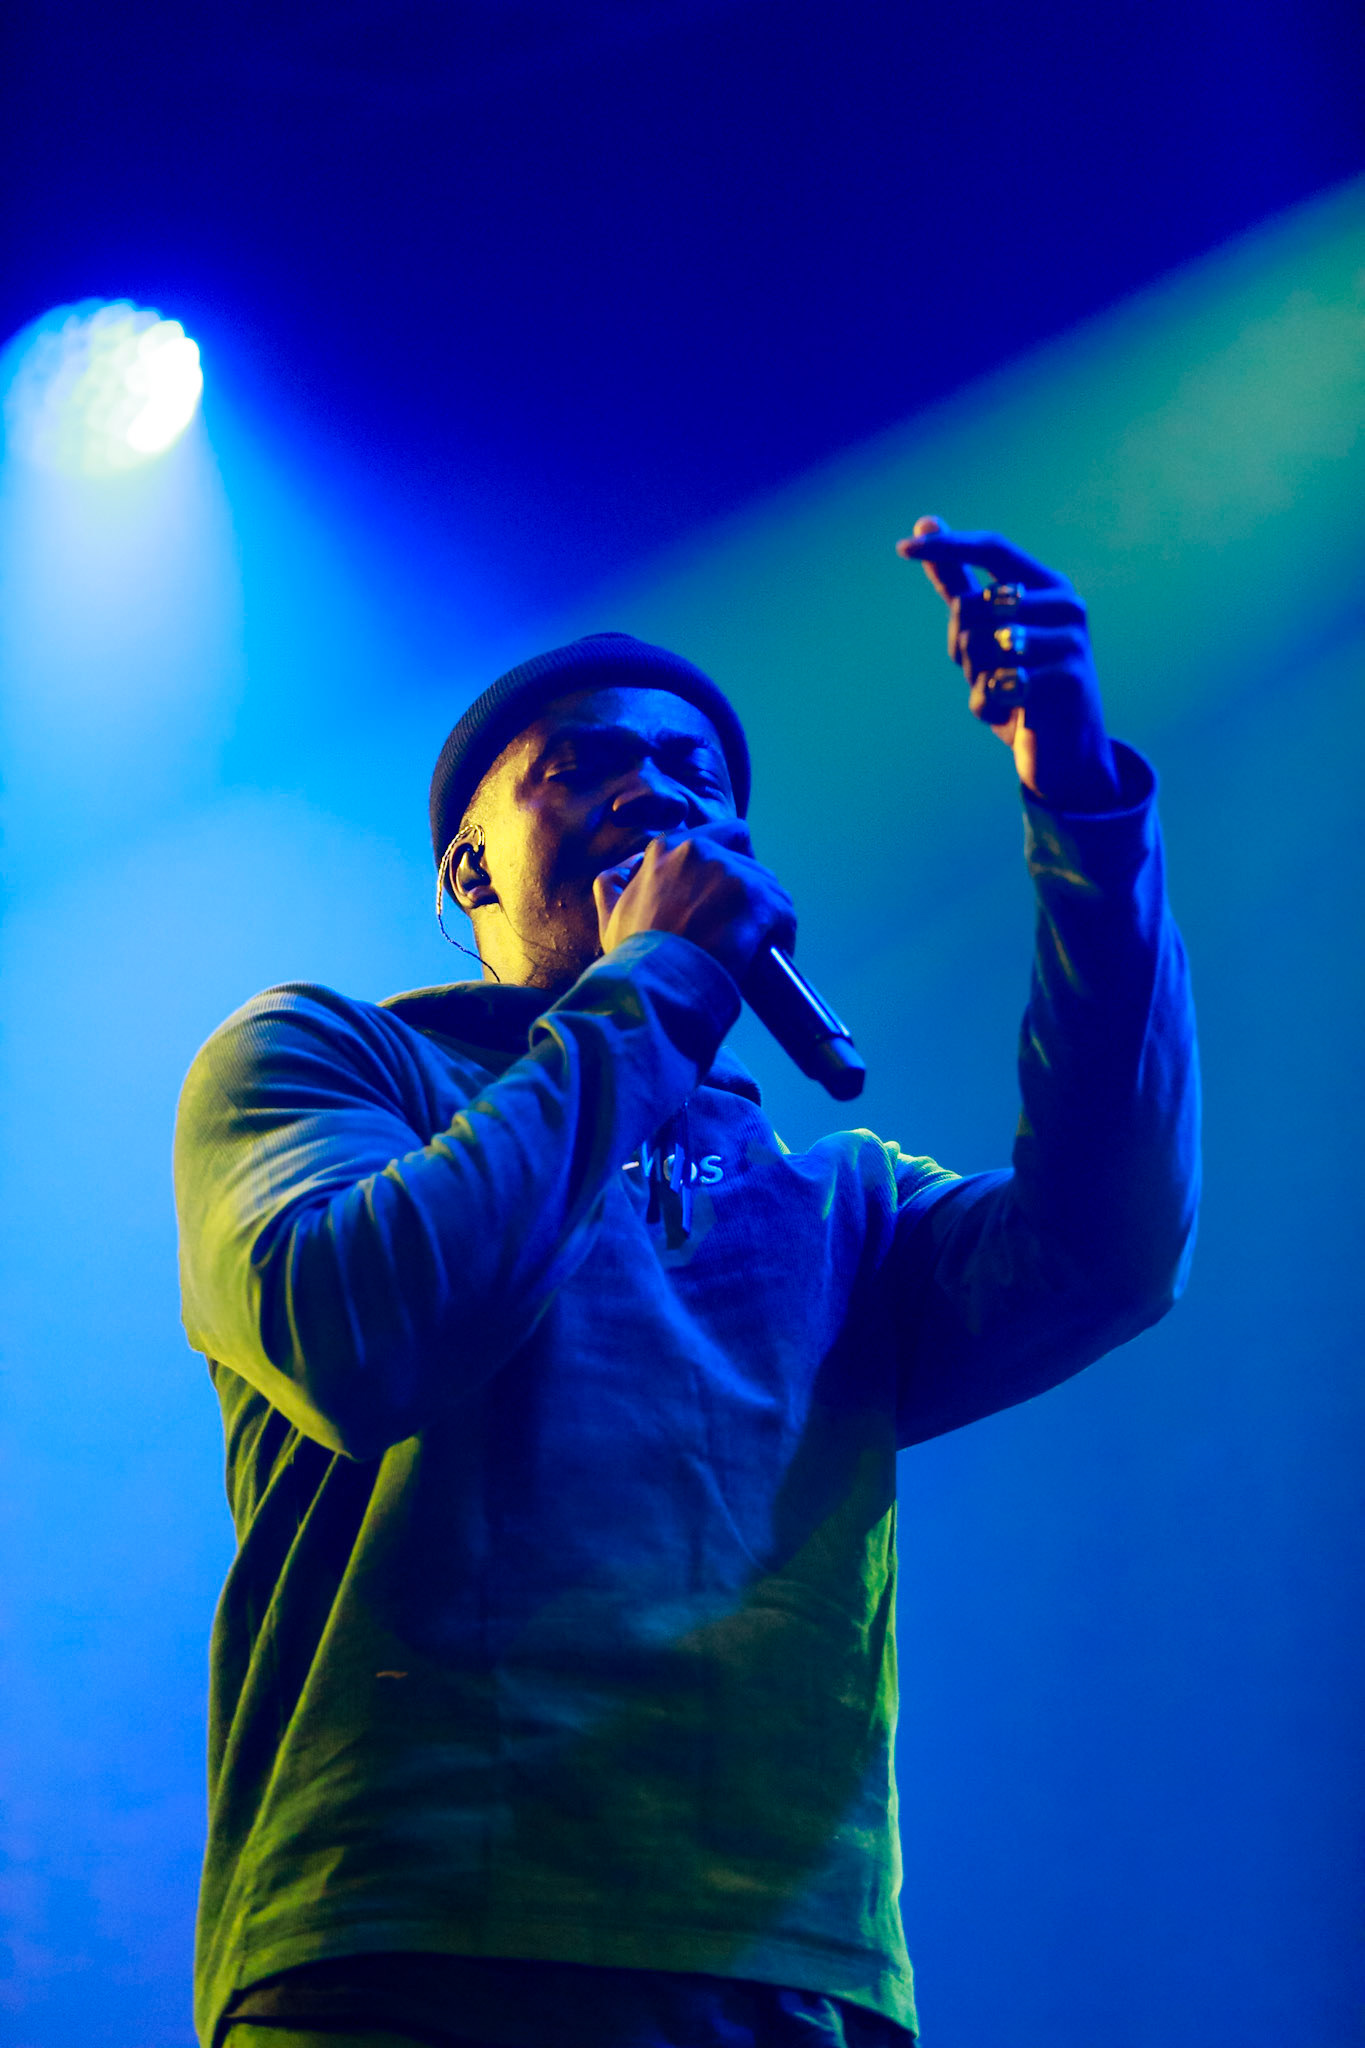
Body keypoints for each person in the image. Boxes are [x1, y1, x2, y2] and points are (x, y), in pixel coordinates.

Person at [173, 518, 1200, 2048]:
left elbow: (1108, 1252)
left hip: (781, 1965)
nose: (653, 787)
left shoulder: (837, 1199)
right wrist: (650, 988)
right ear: (468, 860)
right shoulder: (328, 1059)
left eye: (696, 777)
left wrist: (1084, 814)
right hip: (406, 1938)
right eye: (580, 765)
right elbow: (359, 1336)